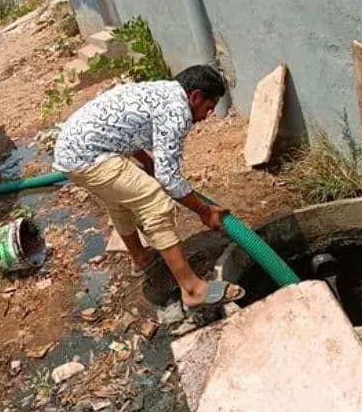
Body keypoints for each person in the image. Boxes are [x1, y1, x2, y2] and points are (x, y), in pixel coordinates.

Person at [52, 65, 245, 309]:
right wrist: (205, 211)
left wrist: (146, 162)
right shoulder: (178, 112)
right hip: (87, 156)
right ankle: (193, 289)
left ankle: (141, 258)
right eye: (208, 108)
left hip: (73, 150)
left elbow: (125, 129)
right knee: (154, 201)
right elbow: (169, 178)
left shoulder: (161, 91)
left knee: (121, 199)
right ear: (194, 96)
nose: (207, 116)